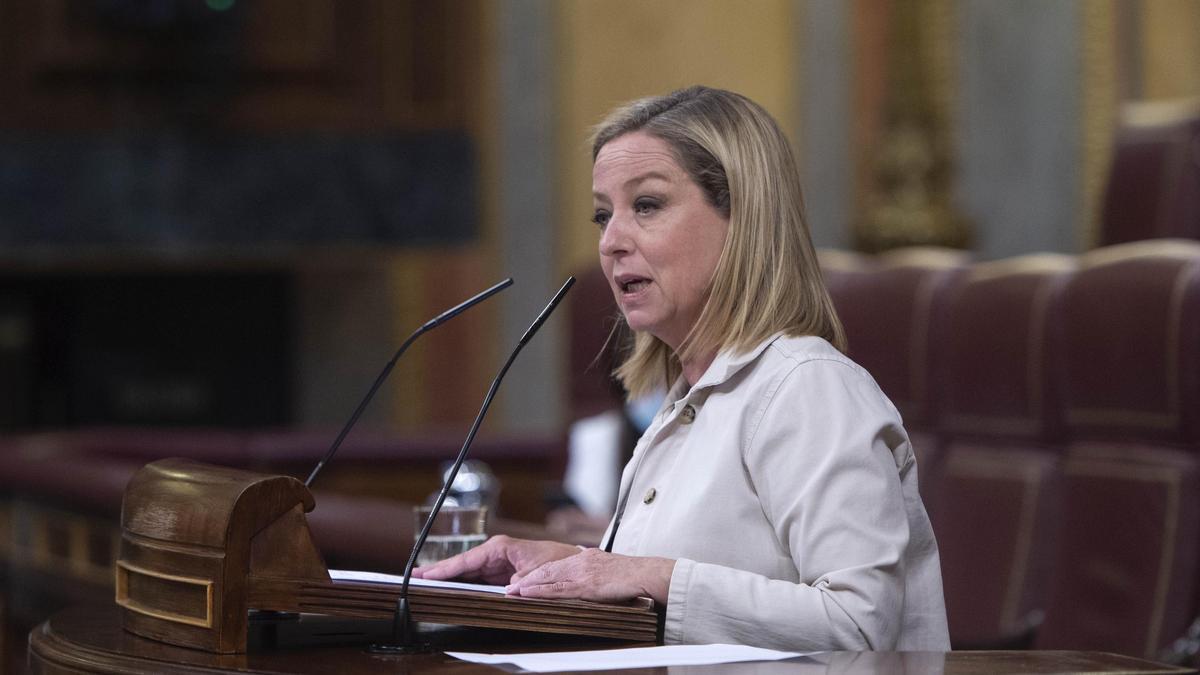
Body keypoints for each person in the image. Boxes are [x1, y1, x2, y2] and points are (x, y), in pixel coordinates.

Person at [415, 85, 950, 651]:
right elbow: (690, 589)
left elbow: (862, 626)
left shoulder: (807, 388)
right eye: (603, 215)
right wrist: (571, 567)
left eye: (646, 205)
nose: (612, 241)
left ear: (743, 216)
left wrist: (649, 575)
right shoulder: (685, 402)